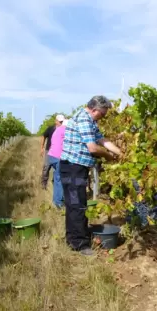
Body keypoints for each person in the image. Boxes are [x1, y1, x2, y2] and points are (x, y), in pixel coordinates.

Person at [60, 96, 122, 256]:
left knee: (78, 203)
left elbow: (101, 139)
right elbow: (93, 148)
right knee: (77, 205)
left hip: (77, 168)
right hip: (73, 168)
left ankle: (75, 237)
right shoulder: (83, 119)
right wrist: (108, 156)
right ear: (94, 109)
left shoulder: (91, 121)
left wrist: (120, 153)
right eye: (102, 114)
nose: (103, 117)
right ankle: (79, 244)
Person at [47, 119, 68, 208]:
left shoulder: (58, 129)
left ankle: (56, 200)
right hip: (58, 156)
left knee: (57, 178)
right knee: (60, 179)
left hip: (52, 156)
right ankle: (59, 202)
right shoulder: (65, 130)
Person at [41, 115, 65, 189]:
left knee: (58, 169)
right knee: (46, 167)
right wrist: (42, 147)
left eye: (62, 121)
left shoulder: (65, 129)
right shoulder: (51, 128)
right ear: (56, 121)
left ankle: (55, 182)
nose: (61, 123)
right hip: (49, 151)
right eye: (60, 121)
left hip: (60, 152)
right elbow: (44, 136)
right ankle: (44, 183)